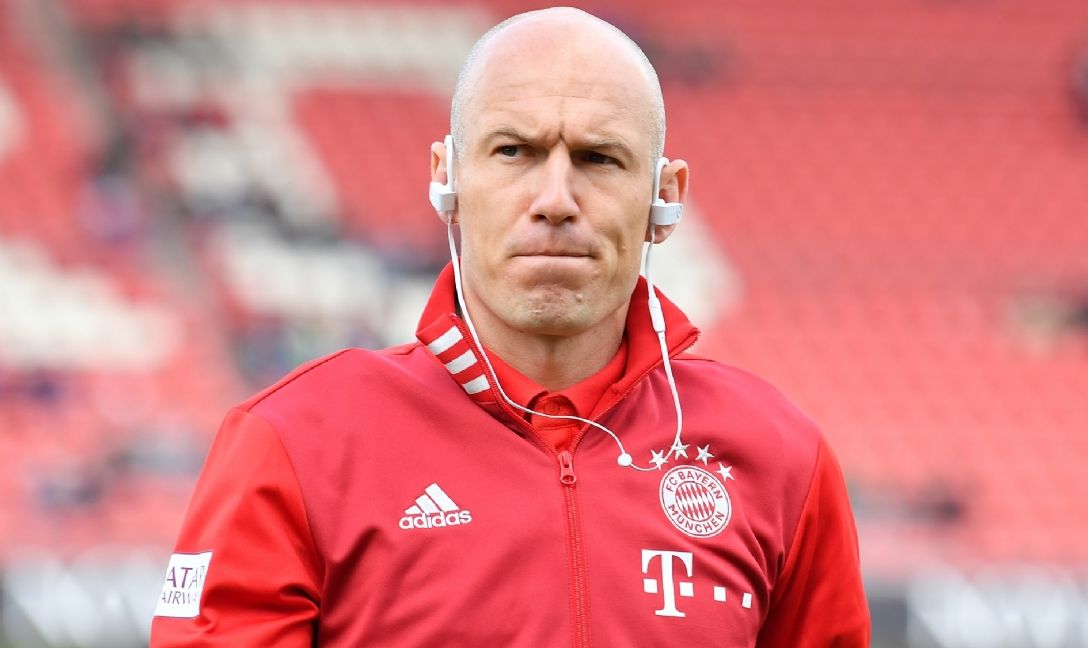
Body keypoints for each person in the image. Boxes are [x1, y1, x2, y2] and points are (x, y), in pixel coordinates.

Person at [150, 7, 869, 647]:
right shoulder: (296, 443)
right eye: (514, 151)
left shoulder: (780, 457)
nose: (555, 199)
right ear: (448, 178)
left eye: (598, 158)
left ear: (664, 195)